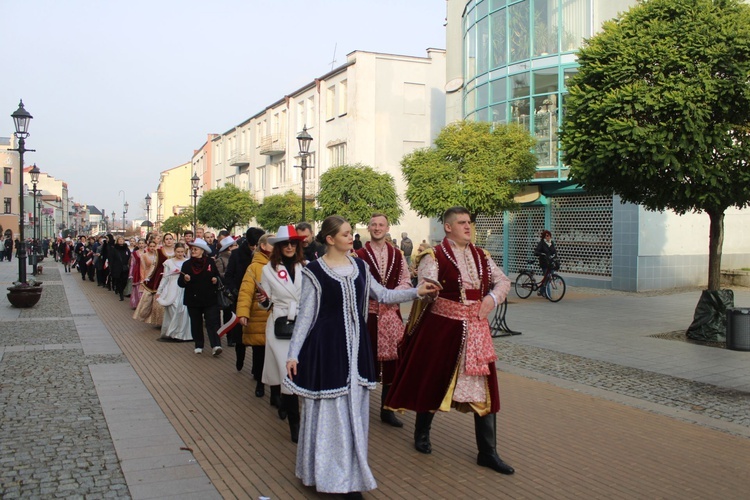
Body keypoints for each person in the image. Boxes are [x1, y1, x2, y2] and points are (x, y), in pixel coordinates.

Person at [284, 215, 438, 497]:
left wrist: (417, 291)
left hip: (357, 350)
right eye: (344, 234)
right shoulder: (314, 272)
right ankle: (328, 476)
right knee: (329, 414)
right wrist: (293, 354)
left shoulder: (360, 267)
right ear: (330, 239)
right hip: (327, 349)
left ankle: (350, 476)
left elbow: (384, 295)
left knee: (354, 411)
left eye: (350, 232)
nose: (350, 237)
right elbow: (306, 315)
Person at [385, 206, 515, 475]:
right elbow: (426, 284)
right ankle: (422, 433)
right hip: (442, 329)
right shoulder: (433, 255)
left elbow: (503, 281)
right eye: (462, 222)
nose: (468, 226)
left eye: (470, 222)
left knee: (485, 389)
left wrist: (491, 299)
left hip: (477, 331)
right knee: (434, 380)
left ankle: (488, 452)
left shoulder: (482, 255)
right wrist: (429, 290)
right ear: (448, 227)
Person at [354, 213, 411, 428]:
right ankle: (358, 410)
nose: (377, 228)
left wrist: (395, 293)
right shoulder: (358, 255)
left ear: (387, 228)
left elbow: (406, 279)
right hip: (368, 315)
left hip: (392, 315)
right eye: (374, 224)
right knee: (363, 361)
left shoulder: (397, 253)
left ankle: (387, 409)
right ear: (368, 227)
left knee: (392, 364)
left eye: (381, 225)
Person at [249, 228, 303, 439]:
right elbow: (267, 301)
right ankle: (294, 423)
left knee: (301, 373)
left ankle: (289, 405)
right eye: (285, 243)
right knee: (286, 372)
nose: (290, 246)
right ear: (279, 246)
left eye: (293, 243)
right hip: (280, 324)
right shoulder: (268, 270)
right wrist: (263, 301)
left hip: (303, 324)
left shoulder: (306, 267)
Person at [225, 227, 265, 370]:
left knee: (256, 336)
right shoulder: (236, 255)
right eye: (253, 245)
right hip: (240, 298)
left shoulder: (265, 257)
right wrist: (233, 290)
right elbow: (228, 275)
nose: (255, 248)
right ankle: (239, 357)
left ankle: (256, 368)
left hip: (260, 302)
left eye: (257, 245)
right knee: (239, 333)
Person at [178, 238, 223, 356]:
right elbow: (180, 284)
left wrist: (215, 280)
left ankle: (216, 345)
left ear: (202, 251)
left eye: (196, 249)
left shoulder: (210, 262)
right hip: (193, 299)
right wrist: (185, 279)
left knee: (212, 322)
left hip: (209, 298)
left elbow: (218, 277)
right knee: (196, 323)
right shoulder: (186, 264)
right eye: (192, 249)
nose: (193, 251)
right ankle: (198, 344)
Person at [156, 243, 191, 341]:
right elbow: (165, 277)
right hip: (173, 288)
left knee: (184, 310)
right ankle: (173, 332)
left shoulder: (188, 262)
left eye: (182, 252)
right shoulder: (169, 262)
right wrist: (159, 290)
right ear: (174, 252)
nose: (180, 254)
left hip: (184, 288)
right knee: (174, 308)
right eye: (178, 252)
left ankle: (183, 333)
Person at [132, 239, 163, 325]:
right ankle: (145, 316)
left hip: (157, 278)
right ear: (148, 247)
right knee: (147, 300)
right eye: (151, 246)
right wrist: (143, 279)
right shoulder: (144, 256)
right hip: (148, 278)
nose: (152, 248)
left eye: (154, 246)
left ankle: (156, 318)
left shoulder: (159, 256)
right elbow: (142, 268)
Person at [109, 236, 132, 301]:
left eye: (122, 239)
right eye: (120, 240)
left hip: (125, 267)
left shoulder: (126, 249)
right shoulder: (114, 249)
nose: (121, 241)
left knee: (124, 280)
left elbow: (129, 257)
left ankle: (121, 289)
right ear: (117, 241)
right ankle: (121, 293)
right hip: (117, 267)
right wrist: (111, 268)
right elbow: (111, 259)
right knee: (118, 280)